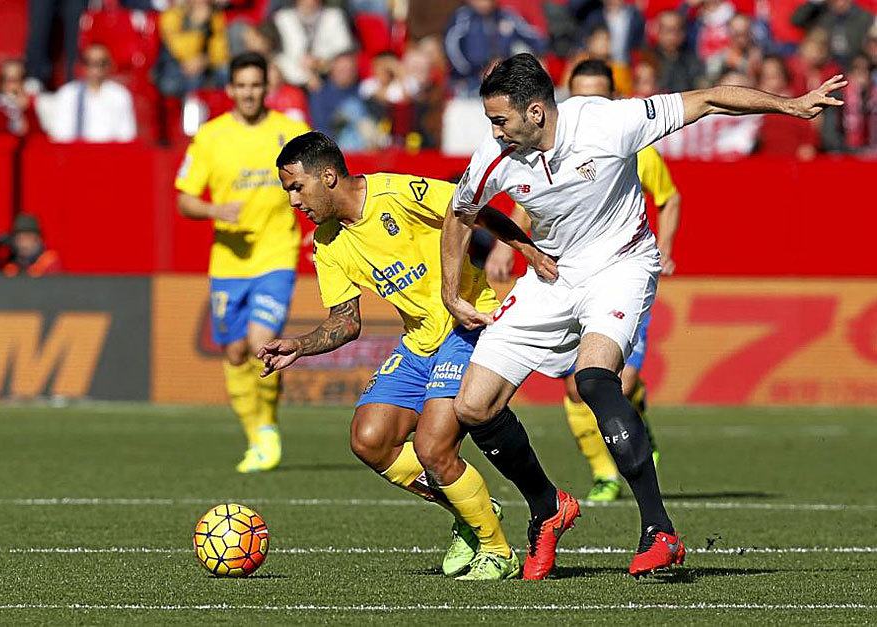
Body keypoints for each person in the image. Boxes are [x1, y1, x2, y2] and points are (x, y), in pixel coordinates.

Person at [440, 52, 845, 577]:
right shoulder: (493, 157)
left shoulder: (608, 121)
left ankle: (659, 530)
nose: (494, 131)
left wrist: (789, 105)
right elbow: (461, 212)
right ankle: (547, 507)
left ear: (536, 111)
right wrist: (456, 291)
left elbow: (708, 99)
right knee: (473, 407)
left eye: (501, 120)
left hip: (621, 264)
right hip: (552, 276)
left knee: (594, 379)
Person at [260, 131, 554, 580]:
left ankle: (497, 550)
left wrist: (525, 248)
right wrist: (298, 346)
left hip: (468, 323)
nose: (294, 200)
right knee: (369, 439)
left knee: (432, 448)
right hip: (419, 342)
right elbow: (346, 321)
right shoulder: (327, 242)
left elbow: (470, 208)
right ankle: (469, 508)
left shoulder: (397, 193)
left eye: (297, 187)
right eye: (288, 191)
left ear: (328, 175)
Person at [483, 59, 682, 503]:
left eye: (600, 93)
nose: (589, 101)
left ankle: (637, 451)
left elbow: (668, 199)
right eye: (581, 93)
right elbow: (530, 200)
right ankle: (604, 474)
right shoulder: (537, 149)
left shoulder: (631, 141)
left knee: (611, 383)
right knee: (578, 387)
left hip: (617, 273)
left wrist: (665, 247)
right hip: (566, 280)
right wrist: (505, 244)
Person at [175, 52, 309, 474]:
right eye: (242, 85)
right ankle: (256, 433)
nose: (250, 92)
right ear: (230, 89)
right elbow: (184, 199)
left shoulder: (291, 132)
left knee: (259, 344)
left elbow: (324, 179)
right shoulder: (211, 137)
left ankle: (267, 430)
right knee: (234, 352)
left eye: (257, 84)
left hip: (276, 255)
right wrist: (216, 212)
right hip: (229, 263)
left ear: (266, 88)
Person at [48, 44, 137, 143]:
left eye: (101, 63)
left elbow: (126, 136)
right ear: (82, 65)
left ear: (108, 66)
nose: (95, 69)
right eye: (89, 63)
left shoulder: (120, 95)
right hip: (74, 154)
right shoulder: (68, 94)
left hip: (109, 154)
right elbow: (59, 134)